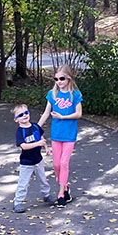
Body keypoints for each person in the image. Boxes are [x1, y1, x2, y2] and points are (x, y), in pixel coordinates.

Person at [37, 64, 82, 206]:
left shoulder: (75, 94)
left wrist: (63, 117)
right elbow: (46, 113)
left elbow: (79, 114)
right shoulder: (53, 94)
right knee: (56, 165)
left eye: (62, 78)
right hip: (56, 134)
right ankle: (66, 186)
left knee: (64, 163)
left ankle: (61, 193)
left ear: (68, 78)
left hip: (69, 134)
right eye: (56, 79)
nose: (59, 82)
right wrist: (36, 128)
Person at [12, 103, 53, 213]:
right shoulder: (20, 132)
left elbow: (40, 137)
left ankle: (46, 195)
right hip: (26, 162)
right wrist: (38, 144)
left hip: (38, 160)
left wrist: (46, 147)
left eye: (26, 113)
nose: (24, 116)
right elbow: (24, 146)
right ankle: (18, 202)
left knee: (43, 179)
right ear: (16, 119)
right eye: (20, 115)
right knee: (23, 183)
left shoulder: (35, 126)